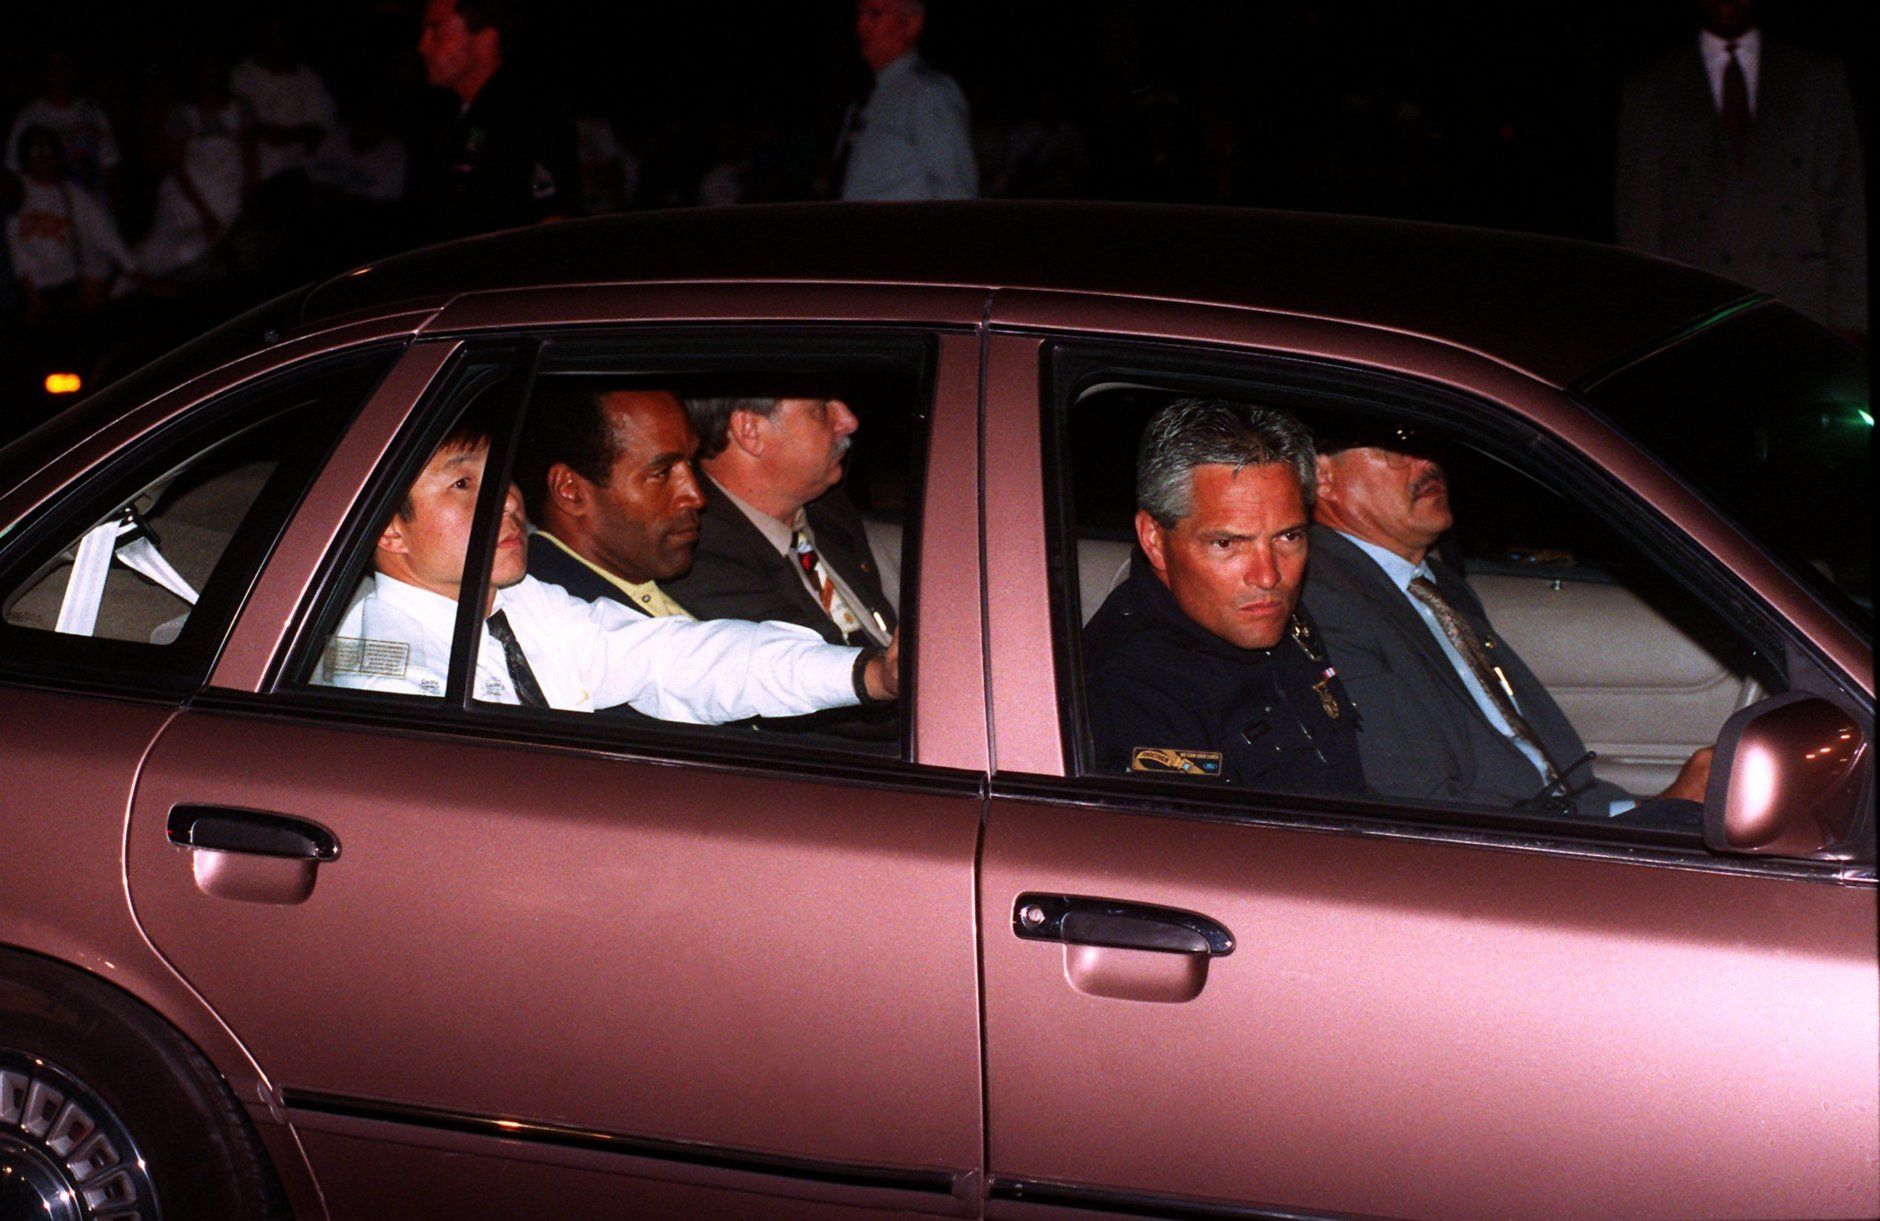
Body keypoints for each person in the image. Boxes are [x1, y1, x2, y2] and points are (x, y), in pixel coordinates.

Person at [318, 421, 896, 722]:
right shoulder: (388, 681)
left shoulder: (520, 604)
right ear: (389, 531)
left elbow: (673, 658)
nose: (508, 501)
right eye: (465, 484)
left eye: (501, 477)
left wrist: (865, 674)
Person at [1301, 422, 1711, 820]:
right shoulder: (1324, 599)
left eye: (1430, 442)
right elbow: (1423, 804)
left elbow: (1532, 765)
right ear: (1323, 477)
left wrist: (1638, 811)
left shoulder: (1438, 585)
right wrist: (1648, 818)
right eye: (1398, 445)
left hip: (1547, 824)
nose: (1428, 463)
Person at [1083, 399, 1364, 792]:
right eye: (1226, 544)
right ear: (1154, 539)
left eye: (1288, 537)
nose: (1268, 576)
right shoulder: (1132, 689)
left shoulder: (1268, 614)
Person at [1615, 0, 1866, 339]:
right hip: (1696, 311)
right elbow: (1639, 217)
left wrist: (1851, 319)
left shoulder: (1815, 77)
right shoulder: (1652, 88)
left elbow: (1845, 206)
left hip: (1800, 306)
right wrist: (1643, 323)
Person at [667, 395, 895, 649]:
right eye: (821, 409)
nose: (849, 422)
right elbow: (812, 664)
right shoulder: (698, 554)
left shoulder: (827, 508)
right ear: (750, 431)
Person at [514, 385, 702, 618]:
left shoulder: (664, 572)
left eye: (692, 463)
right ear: (570, 491)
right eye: (661, 473)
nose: (696, 496)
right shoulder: (559, 617)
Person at [414, 0, 576, 239]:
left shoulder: (525, 115)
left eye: (436, 30)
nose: (423, 46)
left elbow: (553, 213)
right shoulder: (446, 118)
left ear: (486, 38)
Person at [836, 0, 977, 201]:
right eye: (859, 14)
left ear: (912, 23)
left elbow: (956, 195)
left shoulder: (928, 94)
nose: (861, 26)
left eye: (875, 14)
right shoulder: (866, 99)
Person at [5, 126, 138, 319]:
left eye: (48, 148)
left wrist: (140, 275)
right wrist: (33, 298)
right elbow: (15, 250)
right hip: (28, 293)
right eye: (36, 149)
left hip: (68, 288)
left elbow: (106, 236)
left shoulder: (72, 195)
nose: (43, 156)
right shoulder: (15, 192)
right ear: (24, 155)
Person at [229, 15, 339, 187]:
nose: (271, 40)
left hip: (296, 176)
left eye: (278, 33)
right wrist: (260, 130)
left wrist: (292, 134)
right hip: (244, 177)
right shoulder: (239, 76)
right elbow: (227, 119)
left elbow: (324, 126)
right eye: (266, 33)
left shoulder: (308, 79)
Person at [4, 51, 121, 204]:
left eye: (64, 65)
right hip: (45, 207)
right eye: (53, 66)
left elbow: (110, 163)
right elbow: (13, 169)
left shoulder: (92, 113)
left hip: (88, 205)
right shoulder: (28, 117)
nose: (59, 73)